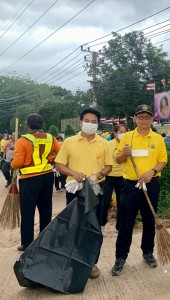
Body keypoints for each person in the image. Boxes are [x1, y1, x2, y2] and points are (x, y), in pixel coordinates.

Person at [55, 107, 113, 279]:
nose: (90, 124)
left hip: (95, 189)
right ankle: (72, 259)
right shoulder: (69, 142)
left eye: (94, 122)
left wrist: (99, 175)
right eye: (87, 121)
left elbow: (109, 166)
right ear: (80, 122)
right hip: (75, 189)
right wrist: (74, 173)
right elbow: (59, 165)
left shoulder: (104, 143)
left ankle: (91, 262)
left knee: (93, 227)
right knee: (74, 224)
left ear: (98, 124)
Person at [111, 104, 167, 276]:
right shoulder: (127, 137)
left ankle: (148, 252)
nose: (144, 120)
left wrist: (152, 172)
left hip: (151, 184)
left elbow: (162, 161)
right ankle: (120, 257)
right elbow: (118, 160)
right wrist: (125, 153)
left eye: (147, 117)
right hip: (130, 185)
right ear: (134, 119)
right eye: (140, 117)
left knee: (150, 220)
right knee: (126, 221)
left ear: (152, 119)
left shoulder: (157, 139)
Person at [11, 114, 61, 252]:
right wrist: (51, 160)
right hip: (47, 177)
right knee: (46, 209)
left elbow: (18, 163)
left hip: (29, 179)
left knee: (27, 211)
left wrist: (12, 165)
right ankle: (45, 241)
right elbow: (61, 154)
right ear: (43, 125)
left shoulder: (23, 140)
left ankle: (27, 243)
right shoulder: (51, 138)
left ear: (27, 125)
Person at [102, 124, 127, 234]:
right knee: (105, 202)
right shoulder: (108, 144)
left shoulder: (127, 145)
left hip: (122, 177)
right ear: (115, 133)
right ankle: (102, 225)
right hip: (109, 177)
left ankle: (119, 226)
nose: (122, 134)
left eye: (124, 131)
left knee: (122, 203)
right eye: (120, 132)